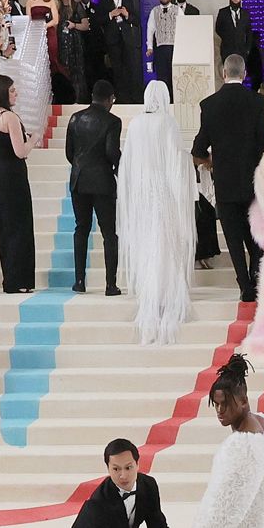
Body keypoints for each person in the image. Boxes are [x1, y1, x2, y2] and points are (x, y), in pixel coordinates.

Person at [118, 79, 194, 344]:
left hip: (142, 193)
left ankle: (151, 292)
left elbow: (126, 162)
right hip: (162, 191)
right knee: (164, 242)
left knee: (148, 242)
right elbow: (176, 160)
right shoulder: (167, 122)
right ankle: (165, 293)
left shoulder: (136, 123)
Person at [195, 55, 264, 306]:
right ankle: (256, 274)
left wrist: (209, 160)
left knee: (232, 236)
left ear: (222, 72)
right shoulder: (256, 102)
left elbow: (198, 149)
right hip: (253, 182)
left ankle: (245, 286)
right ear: (244, 74)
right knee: (255, 234)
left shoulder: (209, 105)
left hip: (225, 182)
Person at [63, 80, 124, 297]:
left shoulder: (75, 118)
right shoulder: (113, 121)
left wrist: (81, 166)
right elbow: (111, 152)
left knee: (81, 229)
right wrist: (121, 167)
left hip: (79, 180)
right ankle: (110, 285)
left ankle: (79, 281)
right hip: (103, 182)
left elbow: (69, 152)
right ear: (110, 99)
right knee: (109, 233)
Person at [0, 74, 36, 293]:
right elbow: (20, 152)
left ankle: (10, 278)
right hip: (12, 174)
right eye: (13, 90)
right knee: (20, 225)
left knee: (4, 225)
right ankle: (20, 279)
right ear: (3, 92)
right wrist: (34, 139)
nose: (16, 93)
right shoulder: (10, 118)